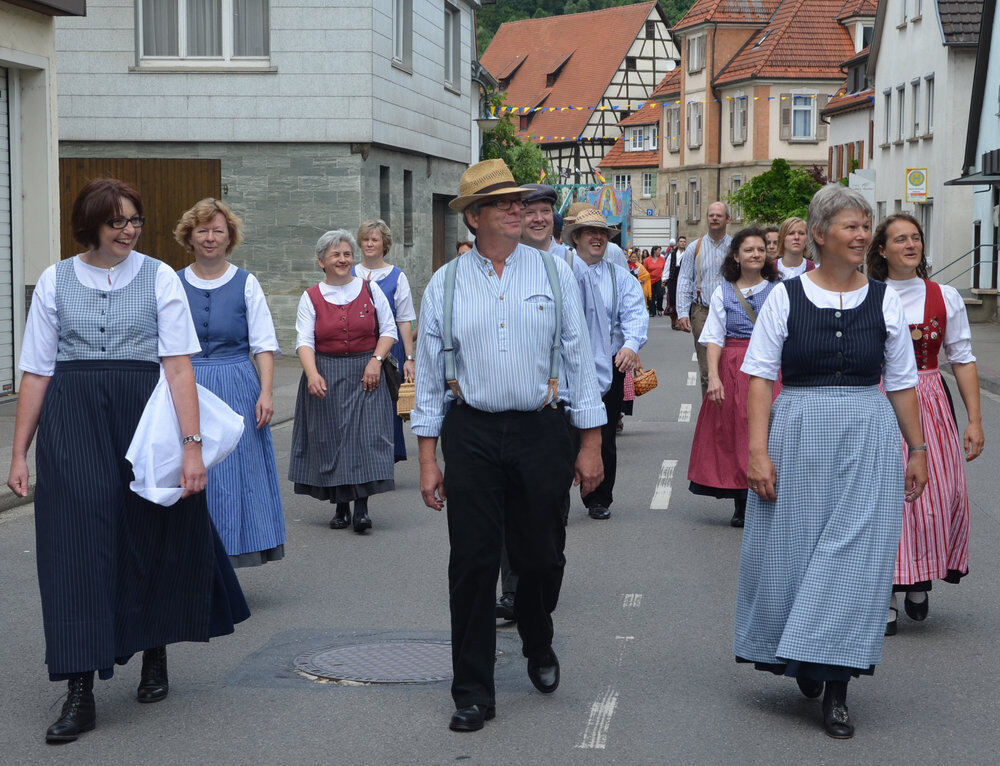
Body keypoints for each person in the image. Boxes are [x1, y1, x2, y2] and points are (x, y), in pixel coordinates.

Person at [8, 178, 249, 744]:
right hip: (73, 417)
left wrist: (192, 447)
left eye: (135, 220)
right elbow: (38, 372)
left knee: (151, 528)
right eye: (117, 221)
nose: (128, 230)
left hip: (147, 416)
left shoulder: (161, 277)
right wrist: (19, 451)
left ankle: (154, 648)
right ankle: (79, 690)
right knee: (74, 547)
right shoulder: (55, 279)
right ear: (90, 223)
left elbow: (180, 367)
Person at [412, 159, 605, 733]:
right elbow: (427, 377)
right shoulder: (445, 283)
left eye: (520, 201)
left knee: (540, 556)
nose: (519, 208)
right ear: (475, 217)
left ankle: (538, 638)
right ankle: (472, 689)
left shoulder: (553, 274)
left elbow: (578, 358)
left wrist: (589, 442)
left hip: (541, 428)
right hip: (470, 431)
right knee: (471, 563)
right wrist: (428, 459)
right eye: (504, 203)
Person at [736, 185, 927, 739]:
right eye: (850, 226)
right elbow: (759, 379)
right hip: (797, 430)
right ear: (819, 235)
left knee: (856, 559)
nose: (862, 236)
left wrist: (916, 450)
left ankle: (837, 683)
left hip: (867, 433)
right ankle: (803, 653)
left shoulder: (885, 299)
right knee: (795, 550)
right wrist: (757, 451)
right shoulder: (785, 298)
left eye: (865, 226)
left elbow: (903, 383)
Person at [865, 213, 983, 634]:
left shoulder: (944, 296)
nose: (910, 245)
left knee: (933, 495)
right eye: (900, 239)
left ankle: (919, 577)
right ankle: (888, 593)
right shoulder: (868, 295)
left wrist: (975, 420)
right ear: (881, 249)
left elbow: (963, 359)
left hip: (930, 397)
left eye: (915, 238)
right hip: (879, 399)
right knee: (885, 496)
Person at [175, 198, 286, 568]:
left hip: (237, 384)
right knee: (188, 469)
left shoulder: (245, 282)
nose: (210, 238)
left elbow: (264, 344)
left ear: (229, 237)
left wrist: (266, 392)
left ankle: (228, 559)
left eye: (217, 231)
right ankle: (192, 558)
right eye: (202, 230)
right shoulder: (172, 283)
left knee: (235, 474)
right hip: (186, 383)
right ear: (189, 236)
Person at [288, 230, 398, 533]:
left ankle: (361, 508)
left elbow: (388, 330)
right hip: (326, 371)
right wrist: (312, 374)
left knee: (365, 438)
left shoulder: (370, 290)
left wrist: (375, 362)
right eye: (336, 255)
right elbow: (304, 340)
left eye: (347, 254)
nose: (343, 259)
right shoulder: (310, 297)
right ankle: (340, 505)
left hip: (366, 373)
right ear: (321, 261)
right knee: (334, 439)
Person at [687, 228, 778, 527]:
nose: (755, 254)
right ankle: (742, 499)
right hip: (733, 363)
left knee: (768, 429)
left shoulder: (780, 290)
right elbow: (714, 337)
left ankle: (769, 491)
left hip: (769, 365)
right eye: (749, 250)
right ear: (736, 256)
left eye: (760, 250)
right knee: (736, 431)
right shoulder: (723, 291)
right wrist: (713, 377)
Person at [562, 208, 648, 520]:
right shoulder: (561, 270)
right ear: (576, 238)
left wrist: (630, 345)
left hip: (607, 365)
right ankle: (558, 499)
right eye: (590, 233)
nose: (598, 238)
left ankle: (599, 497)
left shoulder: (620, 277)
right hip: (565, 365)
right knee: (563, 433)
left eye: (603, 234)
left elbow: (635, 314)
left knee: (604, 432)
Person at [354, 219, 417, 462]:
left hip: (391, 350)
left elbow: (404, 320)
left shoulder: (397, 277)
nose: (369, 244)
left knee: (387, 407)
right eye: (366, 239)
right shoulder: (350, 273)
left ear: (384, 244)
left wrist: (410, 358)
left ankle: (384, 460)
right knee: (360, 405)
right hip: (358, 347)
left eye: (375, 239)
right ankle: (360, 458)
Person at [676, 203, 733, 398]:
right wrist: (683, 312)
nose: (714, 218)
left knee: (730, 367)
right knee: (707, 371)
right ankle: (710, 421)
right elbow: (684, 280)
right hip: (703, 311)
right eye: (711, 215)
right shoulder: (695, 247)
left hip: (731, 312)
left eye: (719, 215)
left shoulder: (736, 247)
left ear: (728, 219)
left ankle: (729, 417)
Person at [666, 235, 687, 329]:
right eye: (681, 241)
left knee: (681, 299)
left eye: (684, 241)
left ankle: (679, 322)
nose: (682, 243)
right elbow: (667, 266)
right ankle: (673, 320)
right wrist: (664, 278)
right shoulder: (672, 254)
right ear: (678, 243)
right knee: (672, 300)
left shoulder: (687, 254)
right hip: (673, 278)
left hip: (683, 278)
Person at [643, 245, 667, 317]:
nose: (659, 252)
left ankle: (659, 308)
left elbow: (665, 269)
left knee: (660, 294)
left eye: (660, 250)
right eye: (658, 250)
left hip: (659, 279)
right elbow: (644, 270)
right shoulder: (647, 260)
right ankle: (652, 311)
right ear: (654, 251)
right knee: (651, 296)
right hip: (649, 280)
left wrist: (664, 279)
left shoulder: (662, 259)